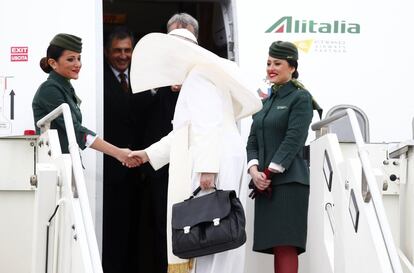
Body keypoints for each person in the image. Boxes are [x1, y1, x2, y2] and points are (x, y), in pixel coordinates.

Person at [128, 28, 262, 273]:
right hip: (215, 157)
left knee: (211, 235)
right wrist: (148, 153)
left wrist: (207, 170)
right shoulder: (202, 73)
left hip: (212, 162)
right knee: (216, 235)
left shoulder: (199, 77)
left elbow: (206, 124)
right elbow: (183, 133)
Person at [138, 12, 199, 273]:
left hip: (192, 164)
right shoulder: (154, 67)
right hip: (159, 164)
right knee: (158, 224)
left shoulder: (204, 71)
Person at [246, 41, 315, 273]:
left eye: (277, 63)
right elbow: (252, 141)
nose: (271, 68)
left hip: (288, 183)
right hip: (265, 184)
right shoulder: (265, 102)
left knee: (286, 247)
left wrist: (267, 173)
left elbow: (293, 140)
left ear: (292, 67)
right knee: (277, 246)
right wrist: (254, 172)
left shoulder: (301, 98)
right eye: (268, 63)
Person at [32, 33, 139, 168]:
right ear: (53, 63)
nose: (77, 64)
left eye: (79, 58)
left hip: (65, 164)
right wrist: (118, 153)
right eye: (71, 59)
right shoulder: (50, 89)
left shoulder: (64, 87)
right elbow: (76, 130)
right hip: (55, 167)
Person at [102, 27, 149, 273]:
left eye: (127, 50)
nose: (123, 56)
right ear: (106, 52)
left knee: (138, 231)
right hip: (108, 172)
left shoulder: (144, 76)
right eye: (117, 51)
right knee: (112, 231)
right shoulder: (97, 80)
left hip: (141, 171)